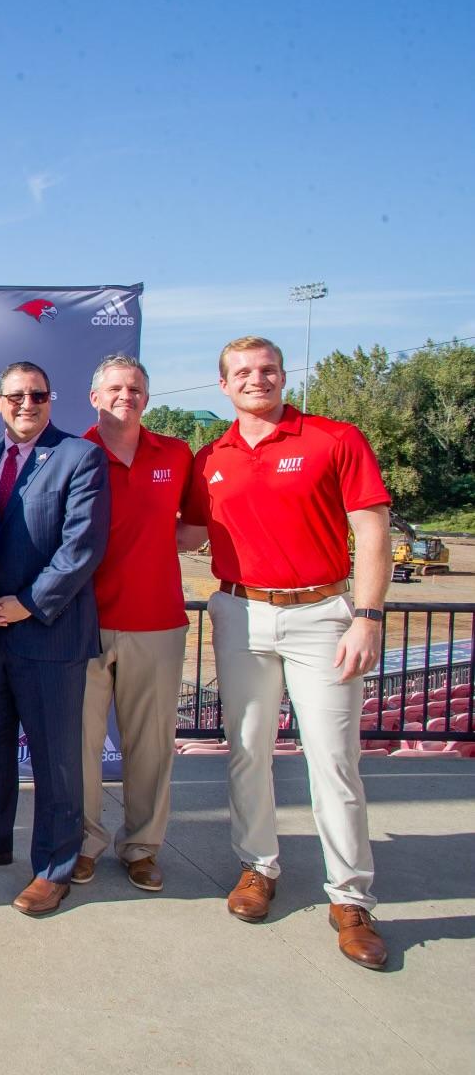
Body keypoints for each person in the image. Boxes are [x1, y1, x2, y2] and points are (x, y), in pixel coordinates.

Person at [178, 336, 391, 970]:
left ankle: (350, 897)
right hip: (240, 611)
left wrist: (368, 617)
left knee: (333, 759)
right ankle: (257, 868)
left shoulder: (334, 438)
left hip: (323, 614)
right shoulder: (208, 455)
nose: (255, 380)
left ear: (283, 375)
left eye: (266, 370)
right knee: (247, 751)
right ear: (223, 386)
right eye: (241, 372)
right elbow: (187, 530)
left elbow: (372, 528)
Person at [0, 360, 109, 917]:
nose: (28, 404)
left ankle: (54, 867)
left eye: (38, 395)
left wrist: (24, 605)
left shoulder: (80, 456)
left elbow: (81, 548)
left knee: (55, 760)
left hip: (48, 634)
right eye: (16, 396)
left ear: (52, 400)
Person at [72, 355, 192, 893]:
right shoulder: (70, 454)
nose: (127, 395)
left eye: (137, 388)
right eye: (116, 388)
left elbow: (194, 529)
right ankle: (82, 844)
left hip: (156, 624)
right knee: (80, 746)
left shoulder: (178, 453)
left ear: (147, 396)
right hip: (81, 625)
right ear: (95, 397)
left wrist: (150, 553)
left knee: (150, 746)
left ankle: (142, 847)